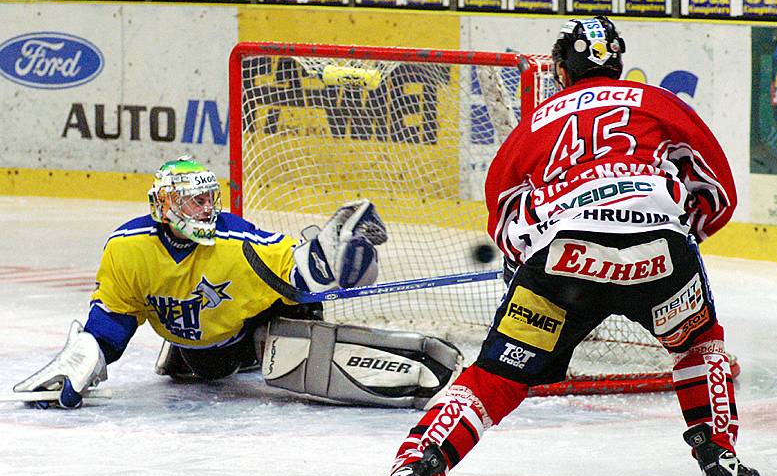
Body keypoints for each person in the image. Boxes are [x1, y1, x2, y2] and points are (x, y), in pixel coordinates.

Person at [334, 16, 762, 476]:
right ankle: (722, 460)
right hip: (659, 257)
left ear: (559, 68)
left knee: (495, 376)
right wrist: (678, 235)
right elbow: (716, 189)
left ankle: (412, 470)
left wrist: (534, 269)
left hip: (563, 264)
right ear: (619, 65)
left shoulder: (537, 122)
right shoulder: (655, 101)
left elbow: (504, 214)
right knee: (698, 345)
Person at [13, 157, 461, 410]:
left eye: (208, 199)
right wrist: (90, 350)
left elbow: (302, 270)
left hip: (252, 329)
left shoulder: (236, 241)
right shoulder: (126, 248)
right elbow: (116, 311)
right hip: (201, 354)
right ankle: (189, 355)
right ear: (163, 206)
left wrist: (339, 255)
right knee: (209, 366)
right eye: (191, 201)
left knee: (294, 332)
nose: (204, 210)